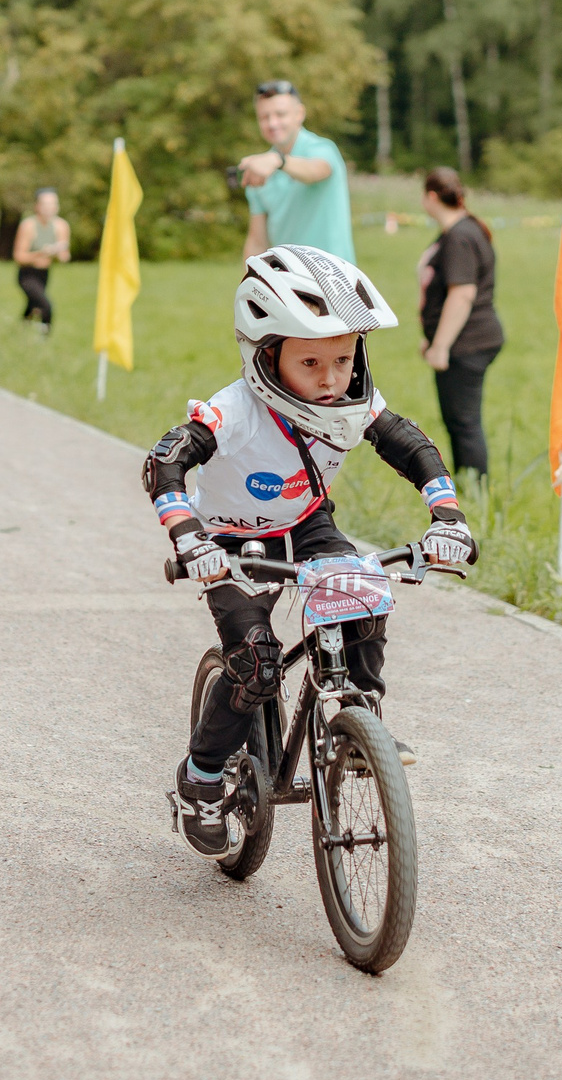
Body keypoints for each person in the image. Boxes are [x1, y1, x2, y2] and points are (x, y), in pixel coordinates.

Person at [145, 245, 477, 855]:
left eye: (345, 359)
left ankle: (361, 718)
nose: (331, 379)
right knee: (256, 662)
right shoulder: (234, 411)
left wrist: (447, 515)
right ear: (265, 358)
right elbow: (163, 465)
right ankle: (202, 778)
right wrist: (189, 538)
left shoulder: (351, 401)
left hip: (304, 521)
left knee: (362, 594)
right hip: (228, 539)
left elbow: (412, 447)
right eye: (311, 362)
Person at [417, 168, 504, 483]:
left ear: (431, 197)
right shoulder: (459, 231)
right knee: (457, 420)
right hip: (464, 339)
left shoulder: (460, 236)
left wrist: (441, 345)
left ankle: (475, 489)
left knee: (464, 422)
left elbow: (462, 294)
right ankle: (466, 486)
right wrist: (432, 339)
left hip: (468, 342)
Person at [237, 79, 353, 264]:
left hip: (335, 279)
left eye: (280, 114)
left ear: (300, 113)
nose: (272, 123)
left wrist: (278, 161)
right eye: (264, 117)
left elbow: (315, 171)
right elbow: (257, 241)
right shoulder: (260, 169)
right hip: (289, 282)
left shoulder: (322, 149)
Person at [12, 188, 72, 335]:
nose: (49, 208)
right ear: (37, 206)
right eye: (45, 204)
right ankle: (44, 336)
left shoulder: (61, 226)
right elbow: (19, 256)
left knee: (33, 305)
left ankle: (21, 332)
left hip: (44, 273)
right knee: (45, 305)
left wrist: (57, 252)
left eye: (53, 204)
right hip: (27, 274)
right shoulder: (28, 226)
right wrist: (41, 253)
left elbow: (65, 257)